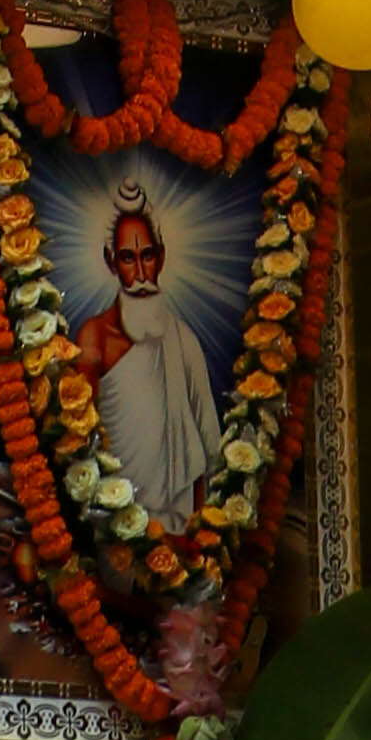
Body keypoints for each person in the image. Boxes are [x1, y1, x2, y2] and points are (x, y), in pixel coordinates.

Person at [67, 192, 222, 519]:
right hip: (114, 524)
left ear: (161, 258)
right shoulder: (94, 337)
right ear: (111, 261)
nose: (139, 273)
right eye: (127, 258)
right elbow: (79, 442)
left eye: (147, 255)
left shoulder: (183, 340)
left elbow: (208, 443)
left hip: (179, 527)